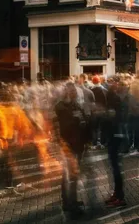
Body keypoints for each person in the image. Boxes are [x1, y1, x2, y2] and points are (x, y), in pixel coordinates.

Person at [54, 82, 90, 218]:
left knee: (71, 175)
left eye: (75, 91)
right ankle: (71, 205)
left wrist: (85, 119)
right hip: (68, 145)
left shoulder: (75, 105)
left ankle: (69, 201)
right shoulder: (60, 107)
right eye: (71, 92)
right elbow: (64, 127)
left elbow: (83, 119)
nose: (74, 94)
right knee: (71, 175)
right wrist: (76, 120)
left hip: (78, 144)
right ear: (65, 93)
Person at [104, 76, 127, 208]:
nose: (111, 84)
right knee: (114, 167)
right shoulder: (114, 97)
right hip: (114, 135)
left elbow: (117, 117)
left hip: (115, 136)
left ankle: (120, 197)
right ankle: (117, 194)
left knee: (116, 167)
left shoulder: (117, 99)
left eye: (113, 82)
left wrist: (105, 114)